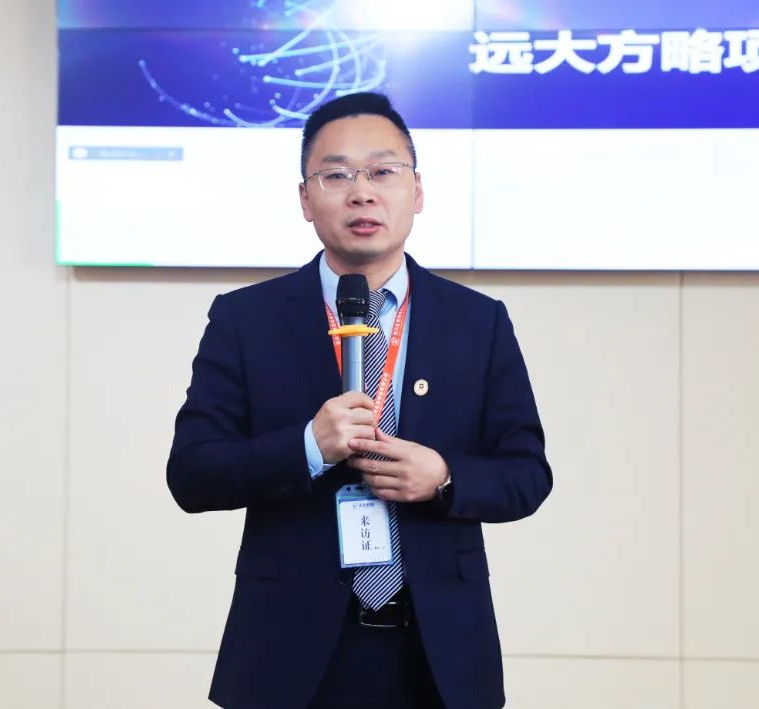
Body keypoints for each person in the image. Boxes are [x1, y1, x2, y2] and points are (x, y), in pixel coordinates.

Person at [167, 92, 552, 709]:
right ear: (305, 199)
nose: (362, 193)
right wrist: (306, 447)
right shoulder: (246, 320)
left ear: (417, 191)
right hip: (287, 651)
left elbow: (527, 474)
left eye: (382, 172)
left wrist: (445, 477)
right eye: (337, 175)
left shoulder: (477, 322)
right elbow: (192, 474)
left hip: (439, 653)